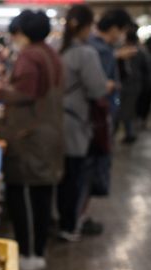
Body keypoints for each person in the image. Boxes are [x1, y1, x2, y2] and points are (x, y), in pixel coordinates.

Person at [0, 9, 63, 270]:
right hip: (49, 132)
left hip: (28, 135)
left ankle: (26, 253)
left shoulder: (30, 55)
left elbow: (25, 92)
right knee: (43, 193)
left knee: (21, 191)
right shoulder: (51, 53)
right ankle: (38, 251)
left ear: (23, 32)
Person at [78, 7, 133, 235]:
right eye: (122, 31)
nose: (121, 36)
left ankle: (76, 217)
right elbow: (96, 86)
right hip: (95, 120)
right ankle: (78, 219)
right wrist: (108, 85)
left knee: (84, 170)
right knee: (88, 170)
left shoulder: (90, 46)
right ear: (114, 28)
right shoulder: (99, 51)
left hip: (88, 120)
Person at [56, 4, 109, 242]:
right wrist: (109, 86)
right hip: (75, 123)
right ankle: (68, 226)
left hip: (54, 119)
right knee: (73, 176)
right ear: (87, 26)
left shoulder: (56, 48)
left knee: (58, 175)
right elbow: (97, 88)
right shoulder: (86, 54)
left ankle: (56, 219)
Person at [116, 29, 148, 142]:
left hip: (129, 85)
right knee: (128, 110)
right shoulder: (141, 52)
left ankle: (129, 134)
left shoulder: (132, 51)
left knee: (126, 110)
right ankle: (128, 133)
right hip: (133, 84)